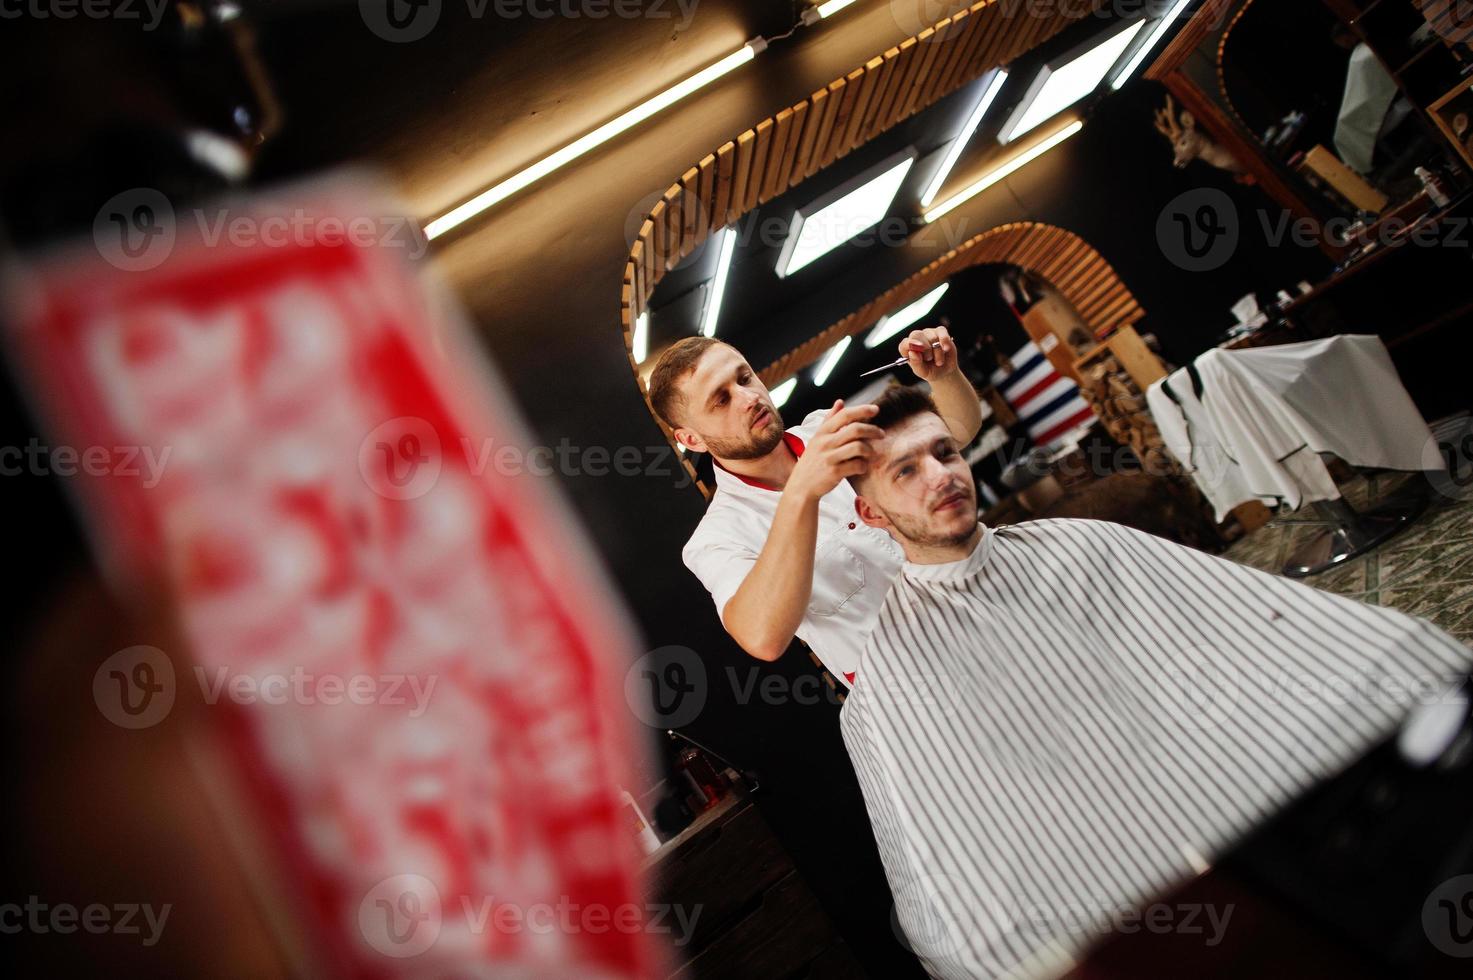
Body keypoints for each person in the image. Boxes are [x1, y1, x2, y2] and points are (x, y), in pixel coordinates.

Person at [839, 386, 1473, 980]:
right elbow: (944, 866)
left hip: (1235, 792)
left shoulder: (1083, 544)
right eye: (906, 471)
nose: (941, 475)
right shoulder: (891, 671)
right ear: (870, 512)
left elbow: (1250, 625)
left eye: (945, 452)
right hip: (1106, 877)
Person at [647, 328, 982, 686]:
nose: (748, 398)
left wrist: (945, 378)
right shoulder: (717, 538)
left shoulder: (828, 429)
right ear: (691, 439)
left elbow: (956, 431)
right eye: (721, 400)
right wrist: (801, 493)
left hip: (981, 613)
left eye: (745, 378)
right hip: (917, 690)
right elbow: (762, 637)